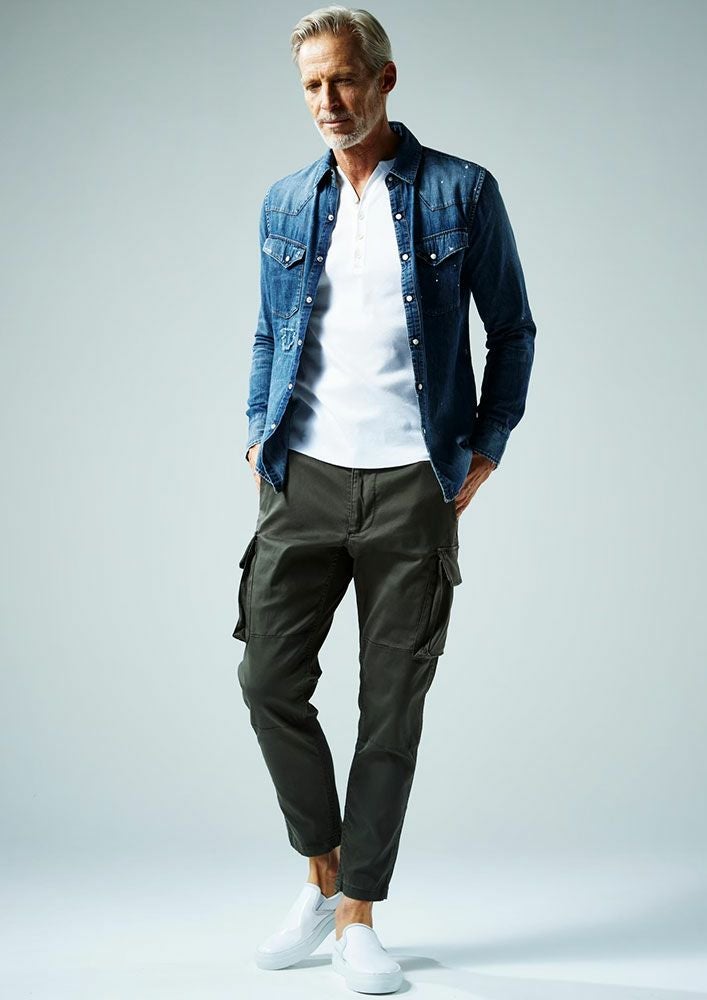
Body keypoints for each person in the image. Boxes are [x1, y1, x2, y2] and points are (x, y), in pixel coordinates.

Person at [233, 5, 536, 993]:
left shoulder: (460, 191)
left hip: (413, 483)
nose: (328, 101)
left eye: (343, 80)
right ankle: (323, 878)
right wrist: (257, 428)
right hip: (303, 478)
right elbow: (269, 330)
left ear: (384, 78)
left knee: (388, 706)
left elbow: (513, 329)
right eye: (311, 85)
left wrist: (484, 448)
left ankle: (360, 912)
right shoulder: (287, 200)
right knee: (267, 681)